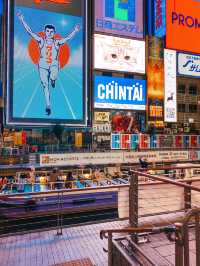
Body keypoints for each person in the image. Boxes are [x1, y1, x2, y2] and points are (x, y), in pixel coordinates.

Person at [17, 12, 80, 116]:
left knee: (53, 75)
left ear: (54, 32)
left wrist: (75, 30)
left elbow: (68, 38)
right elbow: (30, 32)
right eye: (48, 31)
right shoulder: (41, 41)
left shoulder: (57, 42)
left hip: (54, 64)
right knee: (45, 86)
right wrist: (22, 20)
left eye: (51, 31)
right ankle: (48, 106)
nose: (49, 33)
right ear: (45, 32)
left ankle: (53, 79)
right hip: (42, 66)